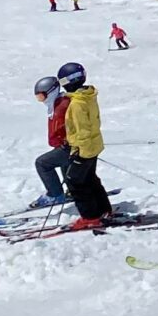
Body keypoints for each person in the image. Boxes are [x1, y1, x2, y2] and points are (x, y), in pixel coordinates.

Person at [57, 60, 111, 227]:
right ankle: (103, 209)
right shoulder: (87, 96)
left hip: (84, 148)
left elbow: (82, 129)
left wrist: (78, 150)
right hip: (94, 145)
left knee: (75, 182)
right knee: (89, 179)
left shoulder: (78, 103)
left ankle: (90, 217)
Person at [31, 73, 72, 206]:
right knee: (64, 163)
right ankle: (73, 190)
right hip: (66, 145)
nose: (41, 100)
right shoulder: (56, 104)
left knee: (42, 163)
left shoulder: (63, 105)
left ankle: (55, 195)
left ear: (51, 91)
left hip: (70, 145)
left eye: (42, 96)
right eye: (38, 98)